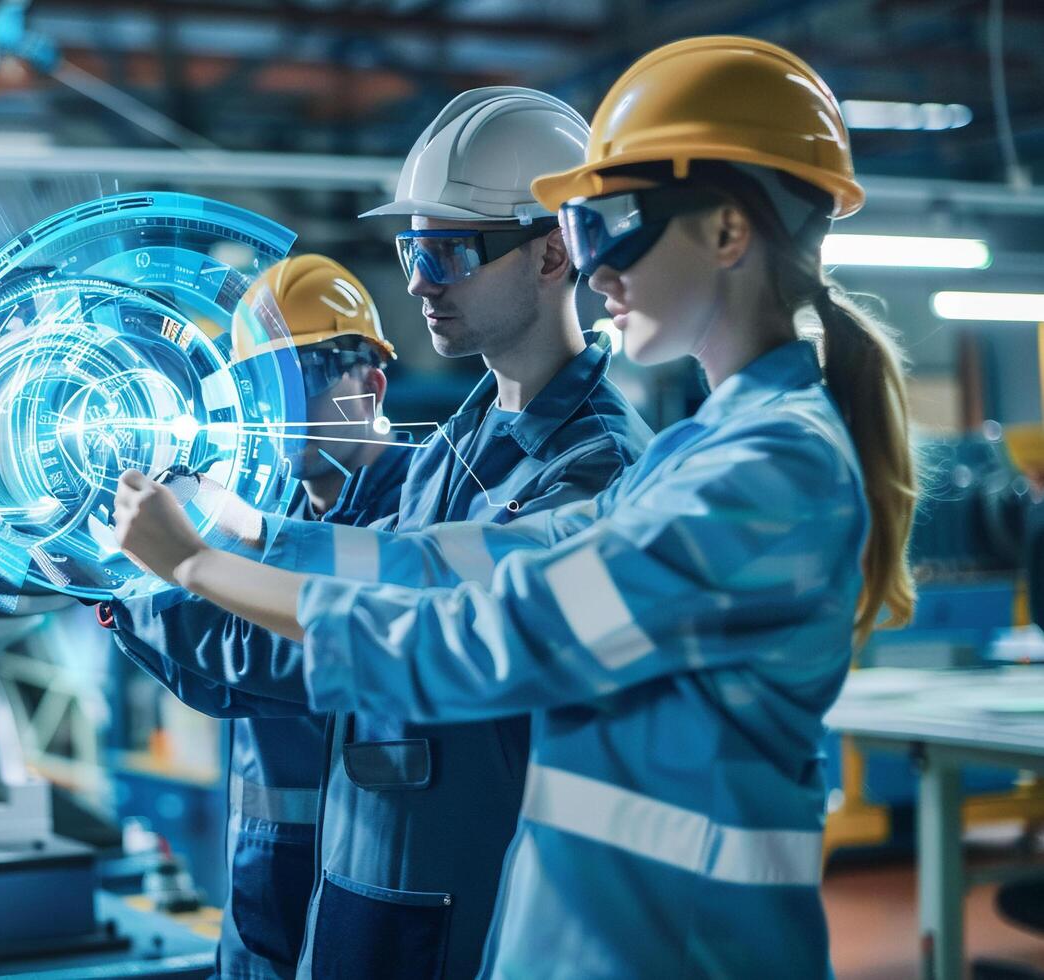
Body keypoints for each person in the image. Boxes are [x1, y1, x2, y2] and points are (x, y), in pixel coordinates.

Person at [112, 36, 917, 979]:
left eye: (614, 224)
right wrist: (254, 531)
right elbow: (466, 560)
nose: (598, 266)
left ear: (729, 233)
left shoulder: (763, 475)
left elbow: (489, 632)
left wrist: (197, 569)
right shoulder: (706, 452)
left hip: (679, 949)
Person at [107, 87, 650, 979]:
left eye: (448, 250)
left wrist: (209, 554)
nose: (419, 282)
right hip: (361, 906)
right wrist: (122, 588)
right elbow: (315, 647)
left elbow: (417, 599)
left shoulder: (597, 468)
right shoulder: (449, 453)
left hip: (483, 913)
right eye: (411, 249)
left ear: (554, 252)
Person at [102, 253, 406, 980]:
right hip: (264, 896)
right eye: (263, 387)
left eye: (306, 375)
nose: (283, 408)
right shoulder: (264, 522)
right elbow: (219, 685)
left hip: (371, 901)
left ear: (372, 384)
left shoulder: (415, 526)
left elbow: (285, 659)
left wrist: (149, 582)